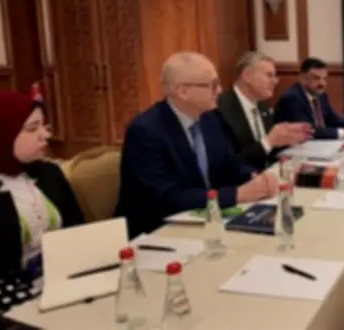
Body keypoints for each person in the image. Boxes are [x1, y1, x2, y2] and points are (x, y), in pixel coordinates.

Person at [116, 52, 279, 237]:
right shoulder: (146, 131)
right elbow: (164, 199)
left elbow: (229, 162)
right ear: (183, 91)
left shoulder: (210, 118)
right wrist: (237, 194)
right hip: (158, 232)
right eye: (212, 85)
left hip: (206, 220)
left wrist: (254, 177)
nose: (219, 91)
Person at [0, 89, 85, 313]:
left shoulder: (48, 173)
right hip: (8, 296)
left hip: (63, 279)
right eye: (32, 129)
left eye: (44, 126)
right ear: (1, 134)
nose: (45, 135)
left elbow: (78, 228)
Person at [216, 52, 312, 170]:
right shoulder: (221, 109)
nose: (275, 81)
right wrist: (269, 141)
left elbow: (270, 151)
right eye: (269, 75)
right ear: (247, 75)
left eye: (275, 76)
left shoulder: (262, 107)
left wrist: (288, 139)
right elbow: (229, 163)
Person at [275, 57, 344, 140]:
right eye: (316, 78)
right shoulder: (292, 98)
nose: (322, 83)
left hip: (315, 144)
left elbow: (333, 119)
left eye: (324, 78)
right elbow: (308, 130)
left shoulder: (320, 94)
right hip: (292, 149)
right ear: (302, 78)